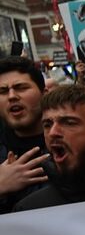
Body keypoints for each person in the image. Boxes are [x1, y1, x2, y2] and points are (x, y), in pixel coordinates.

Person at [0, 57, 49, 213]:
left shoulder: (75, 143)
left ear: (44, 94)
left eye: (21, 87)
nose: (12, 96)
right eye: (3, 91)